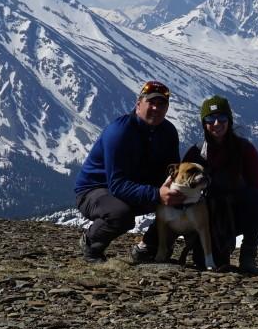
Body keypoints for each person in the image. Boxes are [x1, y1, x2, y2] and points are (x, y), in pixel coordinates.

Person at [75, 80, 184, 262]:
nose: (156, 108)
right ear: (138, 104)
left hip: (135, 186)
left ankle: (148, 249)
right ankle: (91, 244)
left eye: (161, 104)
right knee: (121, 215)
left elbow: (172, 170)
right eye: (151, 103)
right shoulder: (120, 132)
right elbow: (117, 185)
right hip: (95, 190)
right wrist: (157, 194)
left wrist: (177, 192)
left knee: (181, 202)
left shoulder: (168, 132)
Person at [183, 95, 258, 272]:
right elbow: (183, 190)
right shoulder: (195, 153)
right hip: (207, 215)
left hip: (238, 209)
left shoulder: (245, 150)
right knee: (211, 264)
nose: (216, 123)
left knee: (254, 200)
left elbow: (256, 190)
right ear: (204, 123)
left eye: (222, 118)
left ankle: (248, 254)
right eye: (210, 118)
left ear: (229, 120)